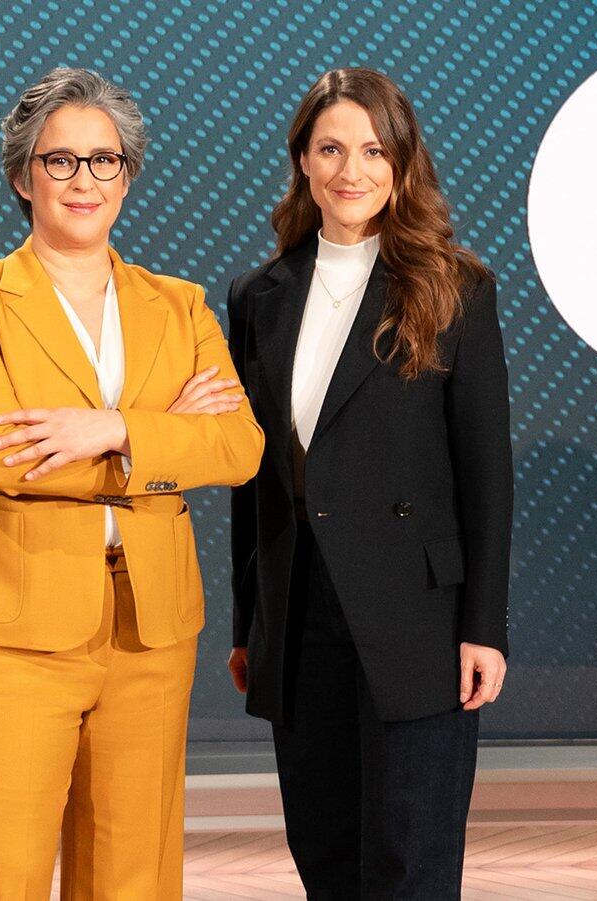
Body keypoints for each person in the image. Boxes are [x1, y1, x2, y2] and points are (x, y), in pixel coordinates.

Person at [0, 67, 262, 899]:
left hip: (150, 630)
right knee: (1, 876)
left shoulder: (180, 307)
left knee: (133, 879)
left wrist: (112, 430)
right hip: (11, 634)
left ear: (127, 175)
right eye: (60, 160)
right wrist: (165, 439)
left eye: (104, 160)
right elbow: (6, 458)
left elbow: (238, 446)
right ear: (22, 176)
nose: (84, 180)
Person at [226, 67, 513, 898]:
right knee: (325, 855)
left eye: (374, 151)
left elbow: (486, 473)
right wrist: (251, 622)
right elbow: (252, 477)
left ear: (402, 163)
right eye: (331, 149)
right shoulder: (257, 297)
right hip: (300, 615)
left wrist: (483, 626)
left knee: (408, 862)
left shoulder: (455, 287)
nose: (351, 170)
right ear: (303, 161)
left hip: (417, 620)